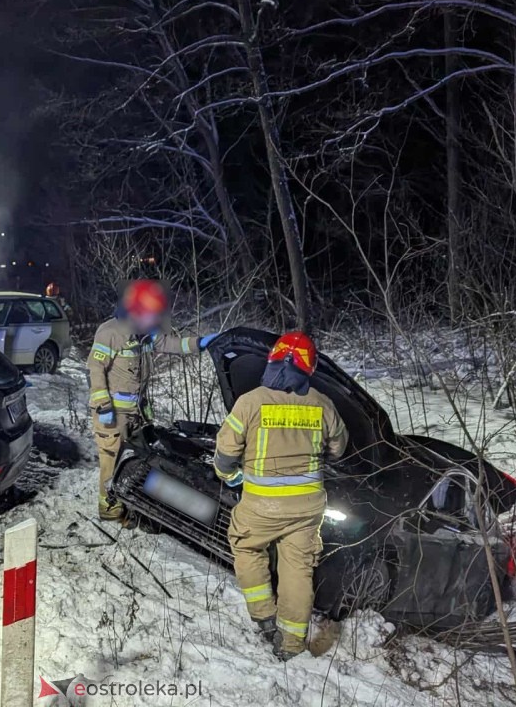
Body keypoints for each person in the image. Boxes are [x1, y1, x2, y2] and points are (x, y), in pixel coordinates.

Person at [213, 331, 347, 661]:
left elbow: (224, 452)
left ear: (272, 359)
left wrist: (230, 476)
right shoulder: (322, 404)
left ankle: (264, 617)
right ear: (309, 368)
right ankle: (290, 645)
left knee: (246, 545)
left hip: (262, 506)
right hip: (307, 509)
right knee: (298, 569)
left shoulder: (250, 402)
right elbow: (339, 449)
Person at [87, 279, 217, 520]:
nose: (153, 320)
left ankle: (130, 500)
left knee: (134, 459)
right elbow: (95, 370)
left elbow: (169, 344)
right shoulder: (111, 333)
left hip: (136, 413)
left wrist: (198, 344)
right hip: (112, 416)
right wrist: (103, 405)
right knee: (111, 461)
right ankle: (110, 508)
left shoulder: (145, 333)